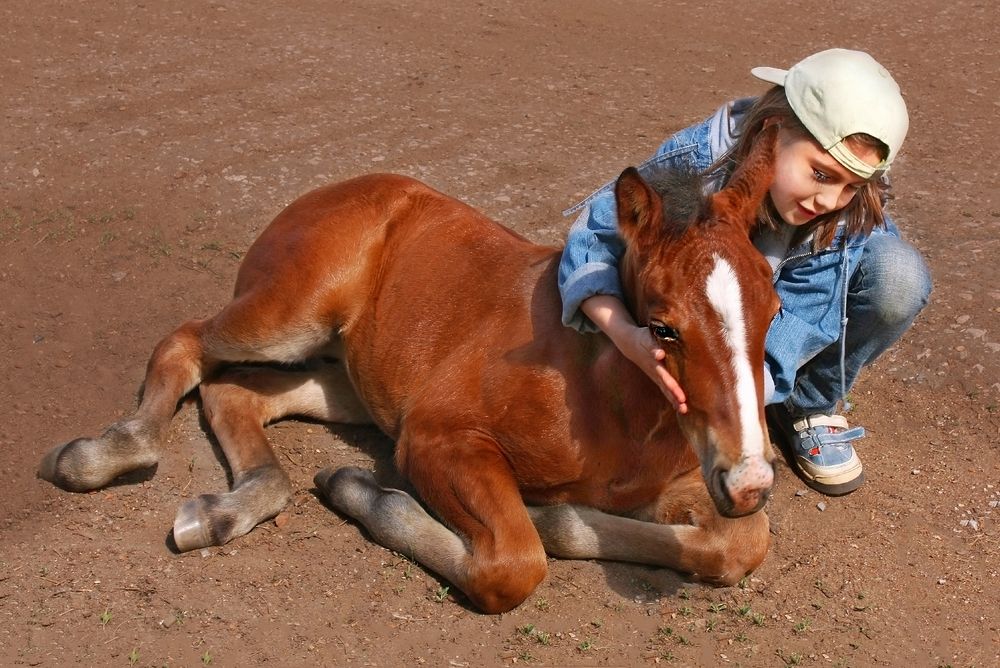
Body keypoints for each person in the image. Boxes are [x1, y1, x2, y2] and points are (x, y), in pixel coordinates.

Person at [558, 48, 932, 496]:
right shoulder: (700, 157)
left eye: (852, 186)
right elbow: (594, 235)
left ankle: (803, 407)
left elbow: (804, 317)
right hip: (707, 295)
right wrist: (621, 332)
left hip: (769, 301)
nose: (830, 200)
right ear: (772, 132)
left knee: (899, 277)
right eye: (820, 174)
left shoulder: (839, 220)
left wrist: (739, 409)